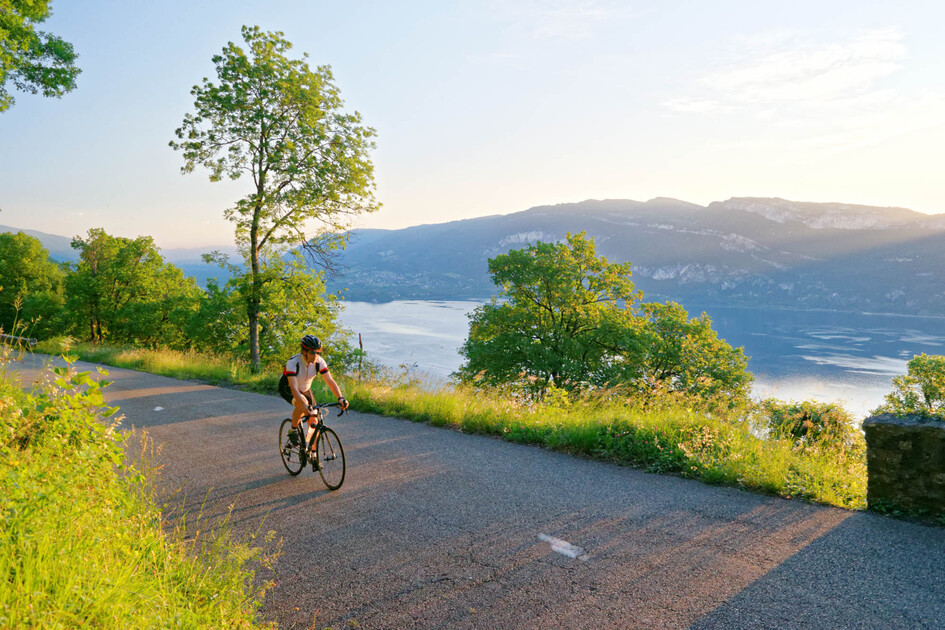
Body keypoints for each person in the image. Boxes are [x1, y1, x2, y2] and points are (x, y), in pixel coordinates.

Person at [280, 334, 349, 446]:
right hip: (288, 388)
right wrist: (303, 406)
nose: (315, 355)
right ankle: (293, 429)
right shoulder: (293, 363)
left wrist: (340, 398)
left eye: (318, 352)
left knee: (314, 422)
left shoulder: (319, 362)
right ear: (304, 352)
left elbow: (330, 381)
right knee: (302, 402)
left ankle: (313, 456)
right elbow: (293, 387)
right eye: (312, 352)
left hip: (305, 389)